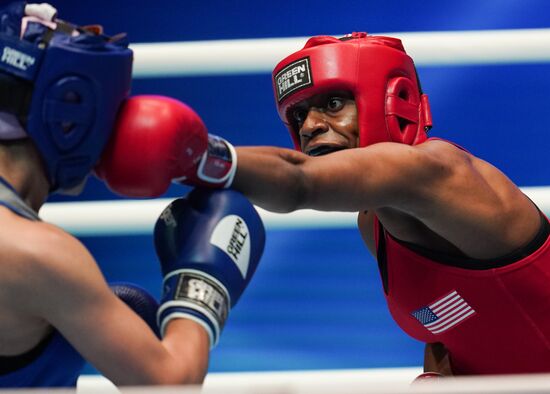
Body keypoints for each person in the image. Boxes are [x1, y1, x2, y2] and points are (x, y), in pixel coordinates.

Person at [100, 31, 550, 377]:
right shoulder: (373, 224)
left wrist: (192, 155)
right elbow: (458, 327)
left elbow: (298, 182)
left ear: (395, 103)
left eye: (333, 103)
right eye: (299, 115)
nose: (312, 125)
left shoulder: (437, 170)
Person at [0, 1, 265, 388]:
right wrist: (201, 289)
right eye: (111, 110)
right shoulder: (35, 253)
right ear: (70, 112)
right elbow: (170, 382)